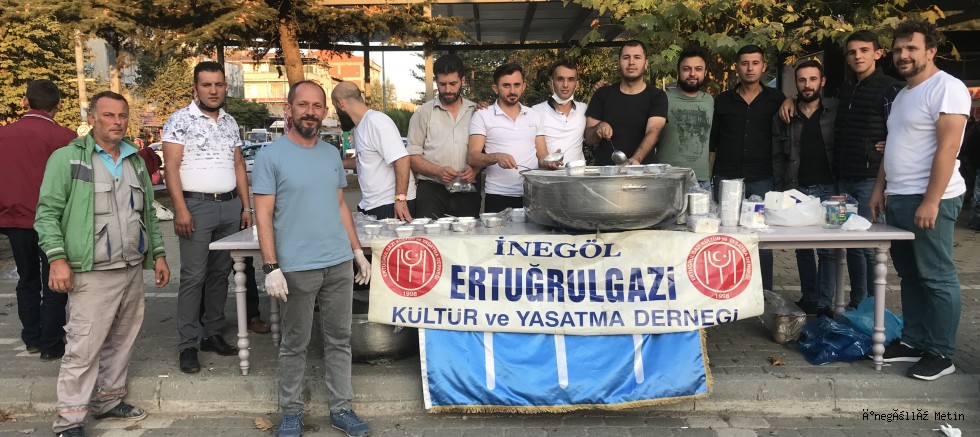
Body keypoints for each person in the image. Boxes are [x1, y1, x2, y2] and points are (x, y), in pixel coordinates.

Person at [36, 91, 170, 437]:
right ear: (92, 118)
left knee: (122, 339)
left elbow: (148, 213)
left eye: (122, 115)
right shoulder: (67, 158)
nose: (117, 122)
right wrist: (57, 259)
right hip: (91, 272)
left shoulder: (135, 160)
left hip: (130, 268)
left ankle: (108, 400)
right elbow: (47, 214)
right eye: (108, 115)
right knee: (83, 346)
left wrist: (158, 254)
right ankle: (69, 421)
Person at [254, 80, 371, 437]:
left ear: (325, 111)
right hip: (297, 267)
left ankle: (342, 408)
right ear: (288, 109)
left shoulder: (330, 154)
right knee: (295, 344)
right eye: (303, 104)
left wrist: (357, 252)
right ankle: (291, 411)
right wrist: (271, 267)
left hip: (337, 263)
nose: (310, 111)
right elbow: (263, 215)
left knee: (340, 340)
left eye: (317, 105)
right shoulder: (270, 156)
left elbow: (340, 205)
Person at [869, 19, 971, 381]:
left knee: (937, 277)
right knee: (910, 275)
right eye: (898, 49)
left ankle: (941, 353)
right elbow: (893, 145)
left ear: (931, 50)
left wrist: (931, 200)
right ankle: (914, 340)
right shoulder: (903, 94)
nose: (903, 55)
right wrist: (880, 188)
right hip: (899, 196)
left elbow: (948, 148)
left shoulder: (947, 88)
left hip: (930, 199)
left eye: (911, 48)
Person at [783, 31, 904, 309]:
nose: (857, 56)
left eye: (864, 50)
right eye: (852, 52)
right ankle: (857, 303)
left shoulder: (890, 89)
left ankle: (870, 308)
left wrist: (893, 143)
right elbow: (813, 101)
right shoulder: (844, 91)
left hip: (870, 179)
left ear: (878, 53)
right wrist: (789, 99)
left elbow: (901, 127)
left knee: (869, 247)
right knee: (851, 245)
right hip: (842, 180)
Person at [162, 61, 253, 374]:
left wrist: (246, 207)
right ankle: (188, 344)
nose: (213, 91)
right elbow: (171, 168)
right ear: (195, 88)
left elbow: (238, 165)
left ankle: (212, 333)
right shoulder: (179, 120)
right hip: (196, 207)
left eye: (218, 84)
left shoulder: (230, 121)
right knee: (193, 277)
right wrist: (180, 209)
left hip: (229, 207)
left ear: (225, 87)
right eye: (206, 85)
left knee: (220, 274)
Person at [0, 79, 75, 361]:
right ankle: (51, 343)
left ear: (25, 101)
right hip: (53, 222)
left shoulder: (4, 135)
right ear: (58, 105)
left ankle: (31, 337)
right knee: (55, 279)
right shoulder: (66, 138)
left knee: (27, 279)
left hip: (15, 219)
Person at [710, 44, 786, 291]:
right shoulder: (723, 101)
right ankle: (726, 290)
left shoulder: (776, 99)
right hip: (726, 178)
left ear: (763, 67)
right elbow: (713, 142)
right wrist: (711, 178)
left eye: (755, 63)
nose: (750, 68)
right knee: (726, 237)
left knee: (761, 238)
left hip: (762, 178)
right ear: (737, 67)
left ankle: (764, 293)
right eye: (744, 63)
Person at [773, 60, 838, 317]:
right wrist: (781, 190)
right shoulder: (786, 116)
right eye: (802, 80)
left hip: (830, 190)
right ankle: (809, 298)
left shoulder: (835, 110)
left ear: (822, 81)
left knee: (828, 251)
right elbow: (777, 156)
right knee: (802, 249)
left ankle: (825, 303)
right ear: (796, 83)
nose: (807, 85)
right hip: (797, 190)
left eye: (813, 79)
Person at [407, 54, 481, 218]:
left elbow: (486, 151)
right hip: (431, 192)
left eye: (453, 84)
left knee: (468, 234)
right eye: (442, 84)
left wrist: (475, 169)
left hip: (467, 190)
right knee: (429, 234)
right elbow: (412, 156)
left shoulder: (476, 112)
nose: (448, 90)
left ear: (463, 81)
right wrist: (438, 171)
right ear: (436, 82)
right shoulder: (423, 113)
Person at [467, 63, 545, 212]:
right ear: (495, 88)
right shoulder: (482, 115)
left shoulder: (534, 115)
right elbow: (472, 157)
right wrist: (497, 157)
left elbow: (542, 156)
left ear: (523, 87)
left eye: (517, 85)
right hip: (498, 195)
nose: (512, 91)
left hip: (531, 194)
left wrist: (550, 162)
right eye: (506, 85)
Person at [334, 81, 416, 221]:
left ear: (340, 103)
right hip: (374, 204)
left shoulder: (376, 121)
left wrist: (400, 199)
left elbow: (402, 159)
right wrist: (337, 163)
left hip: (391, 204)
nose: (337, 113)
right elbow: (366, 161)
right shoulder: (361, 126)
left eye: (335, 108)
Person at [585, 40, 668, 166]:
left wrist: (636, 159)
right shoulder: (602, 94)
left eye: (637, 57)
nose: (631, 62)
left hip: (642, 171)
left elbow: (653, 131)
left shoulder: (657, 96)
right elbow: (589, 139)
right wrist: (598, 128)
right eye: (626, 57)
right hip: (606, 172)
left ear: (646, 63)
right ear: (619, 63)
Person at [656, 47, 713, 188]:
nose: (692, 73)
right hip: (667, 179)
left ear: (705, 73)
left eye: (698, 69)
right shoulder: (662, 98)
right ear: (678, 71)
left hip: (701, 181)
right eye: (687, 69)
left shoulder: (709, 101)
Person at [533, 60, 587, 168]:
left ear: (577, 84)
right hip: (549, 177)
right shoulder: (536, 112)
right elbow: (541, 155)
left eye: (570, 79)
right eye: (560, 79)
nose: (565, 85)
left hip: (579, 176)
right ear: (551, 82)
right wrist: (548, 161)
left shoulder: (584, 109)